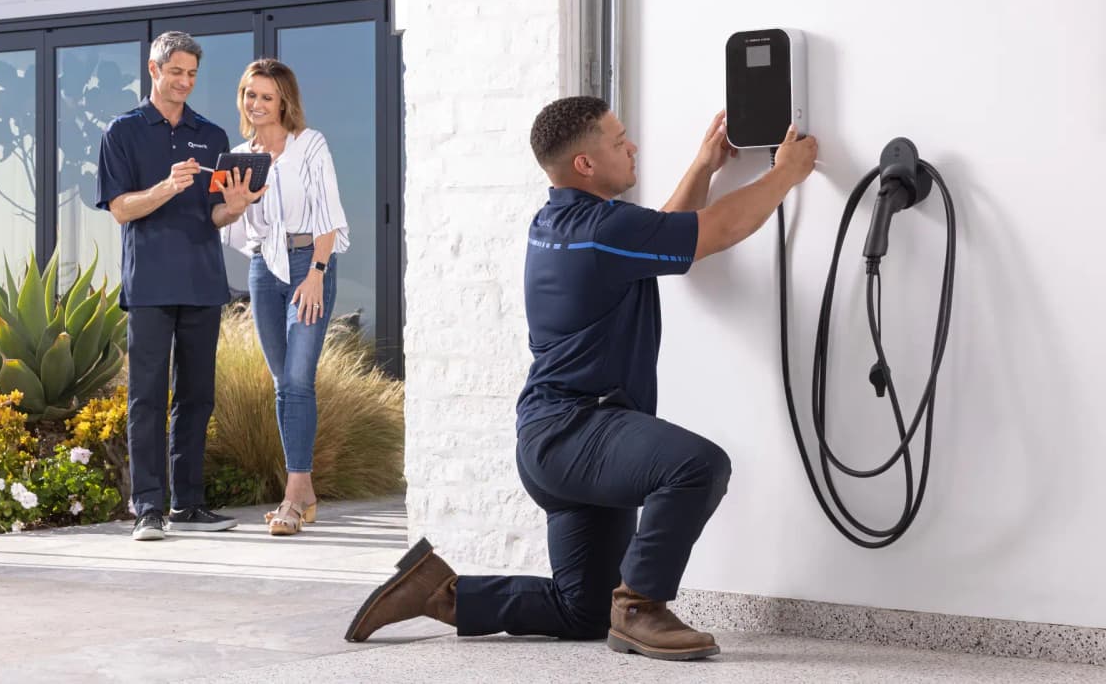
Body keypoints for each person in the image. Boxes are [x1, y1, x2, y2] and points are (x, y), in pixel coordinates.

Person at [344, 97, 818, 660]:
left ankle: (442, 594)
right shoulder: (601, 229)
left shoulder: (564, 223)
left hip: (555, 442)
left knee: (584, 611)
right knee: (698, 466)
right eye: (619, 141)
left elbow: (666, 237)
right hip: (580, 432)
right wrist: (785, 172)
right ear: (586, 165)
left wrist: (702, 168)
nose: (633, 146)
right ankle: (642, 607)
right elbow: (709, 233)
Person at [97, 31, 265, 541]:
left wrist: (234, 208)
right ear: (154, 70)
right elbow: (122, 209)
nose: (185, 82)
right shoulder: (122, 132)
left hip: (202, 283)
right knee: (146, 398)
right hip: (148, 284)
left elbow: (212, 215)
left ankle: (188, 504)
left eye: (192, 74)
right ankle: (148, 506)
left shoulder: (211, 136)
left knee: (196, 398)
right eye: (176, 73)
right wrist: (166, 186)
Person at [220, 59, 350, 536]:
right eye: (249, 95)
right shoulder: (237, 156)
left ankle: (294, 495)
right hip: (263, 268)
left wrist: (316, 273)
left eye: (266, 97)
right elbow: (231, 226)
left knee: (298, 378)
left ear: (284, 102)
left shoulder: (309, 146)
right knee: (283, 383)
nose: (256, 104)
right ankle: (307, 493)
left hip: (306, 264)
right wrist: (235, 204)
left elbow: (328, 215)